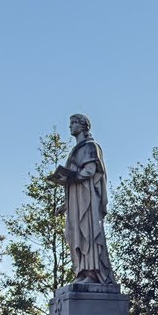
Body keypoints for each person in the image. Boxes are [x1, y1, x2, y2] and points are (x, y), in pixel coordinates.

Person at [49, 114, 116, 284]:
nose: (70, 126)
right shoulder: (76, 149)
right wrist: (65, 205)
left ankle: (92, 273)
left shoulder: (91, 146)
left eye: (73, 123)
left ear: (83, 126)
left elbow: (90, 170)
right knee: (73, 233)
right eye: (70, 123)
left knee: (88, 232)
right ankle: (81, 271)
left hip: (88, 199)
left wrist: (71, 176)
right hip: (76, 200)